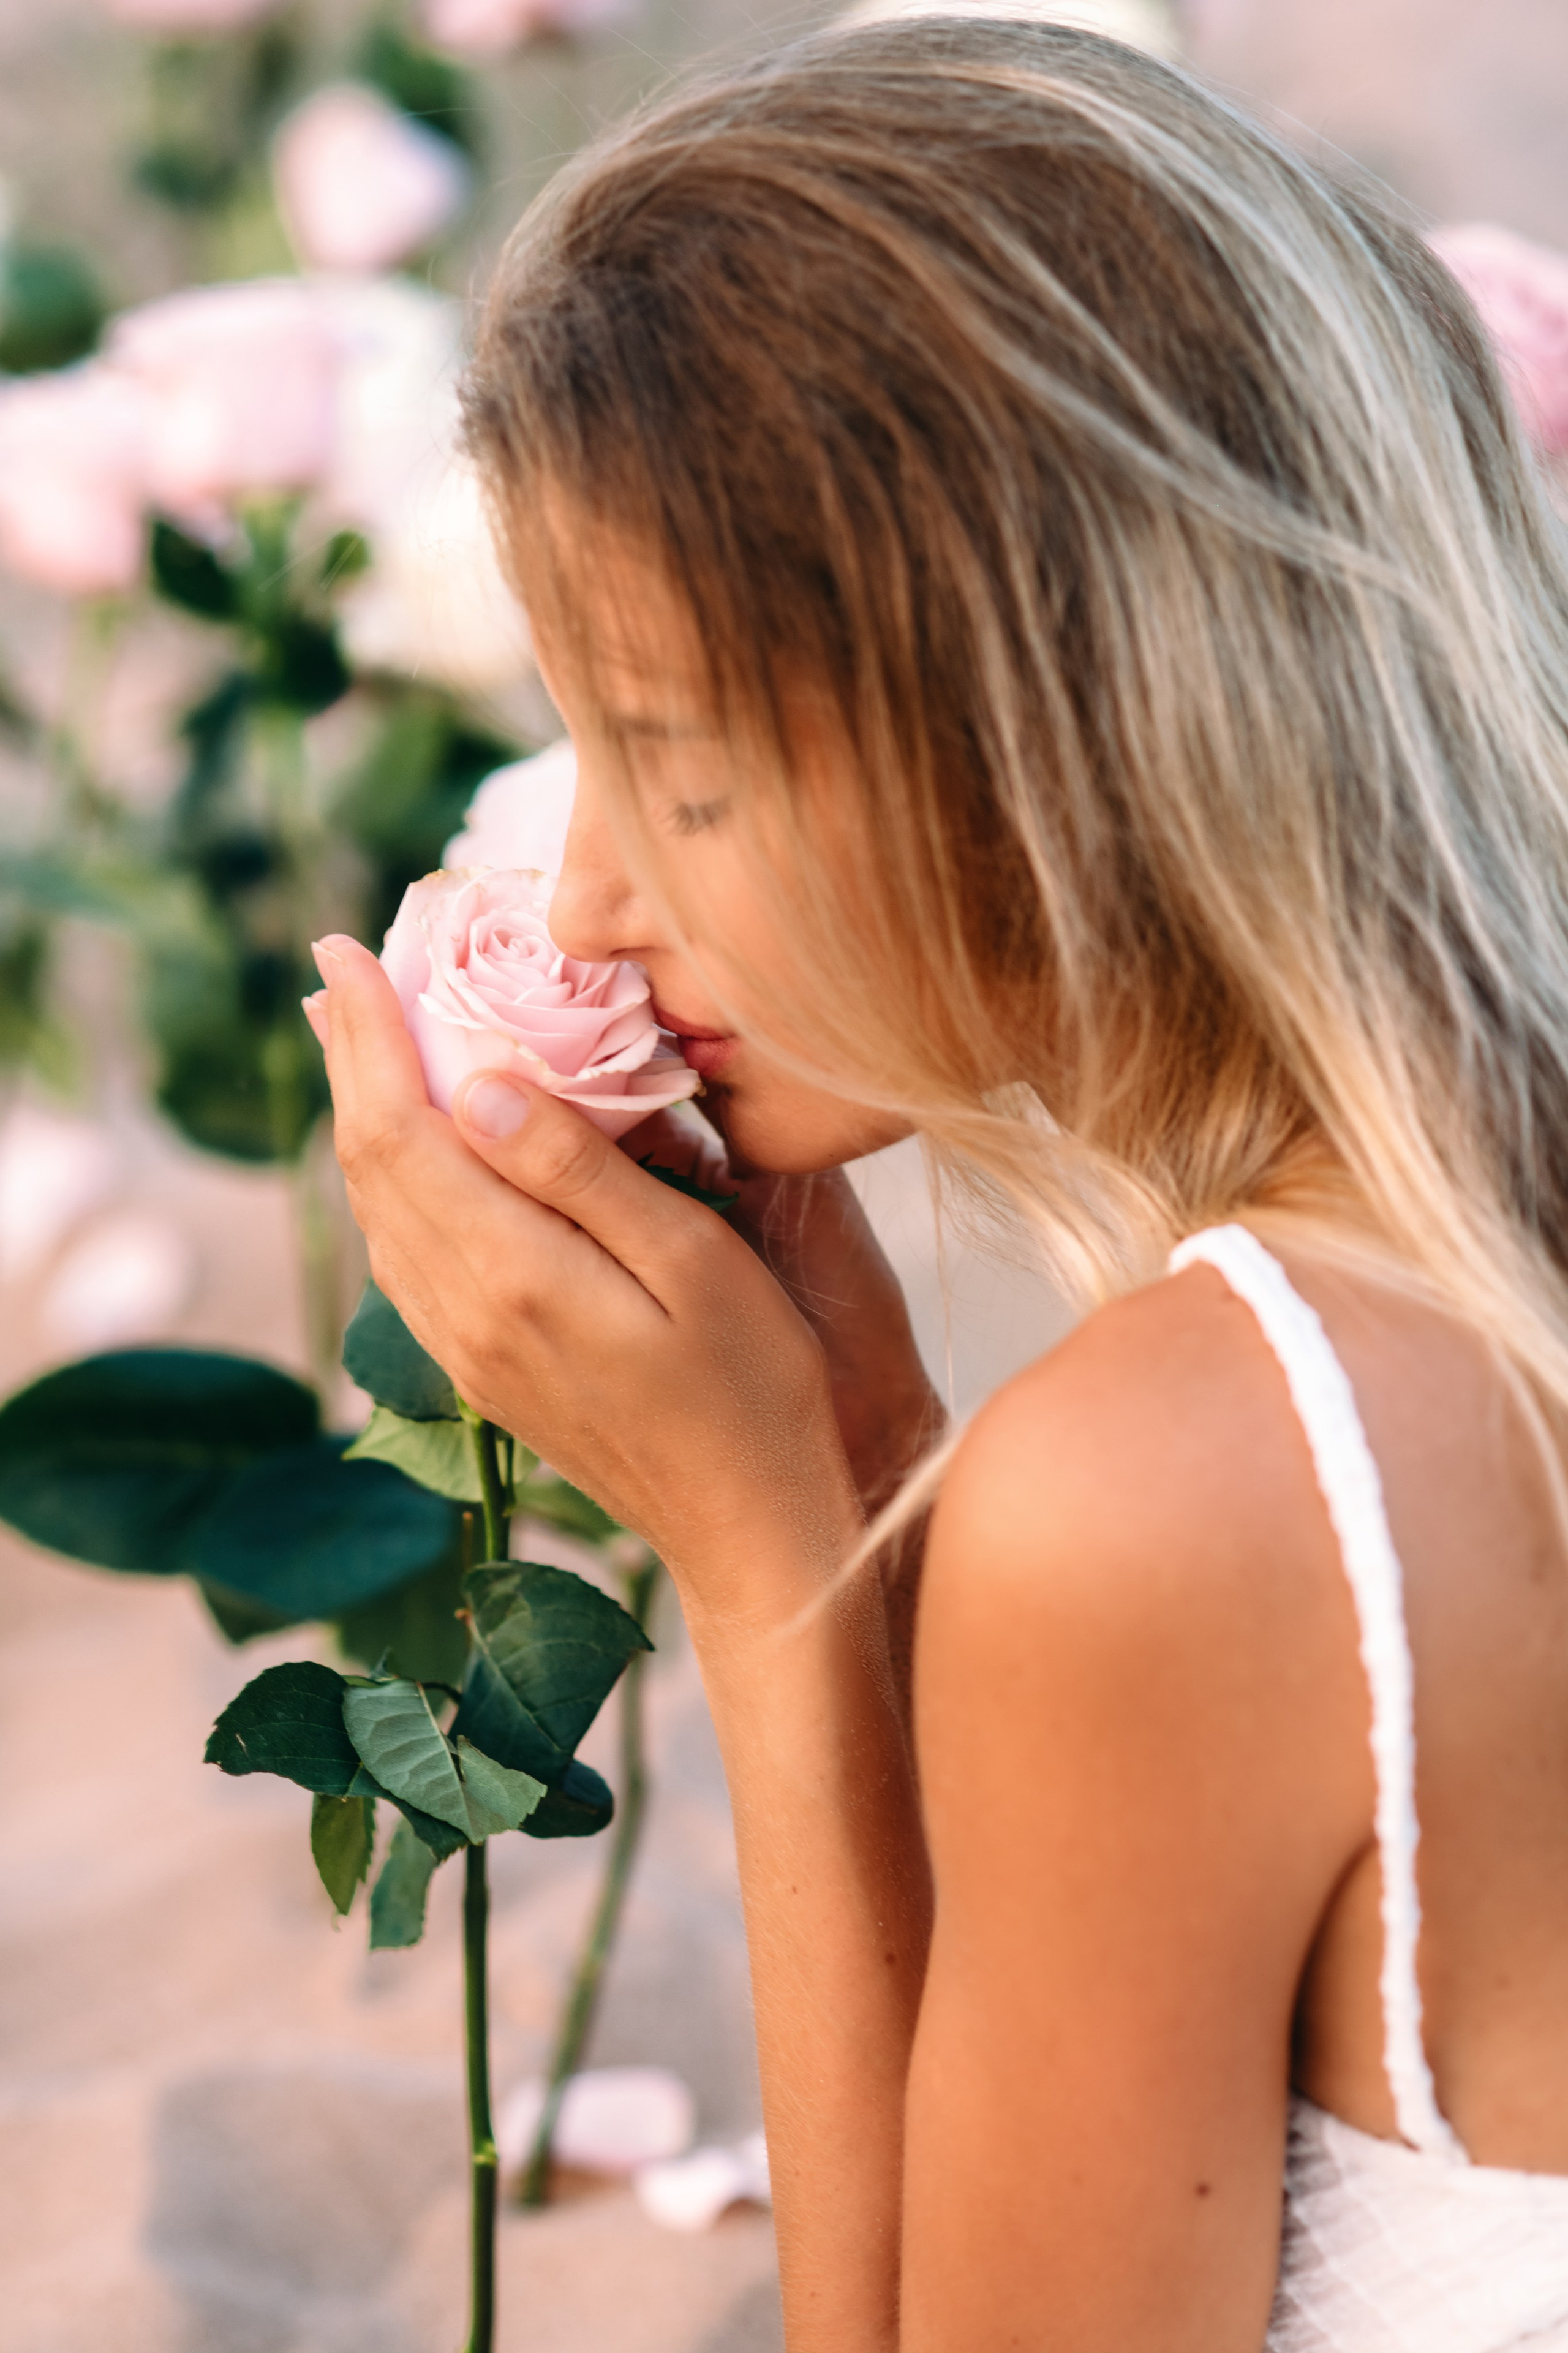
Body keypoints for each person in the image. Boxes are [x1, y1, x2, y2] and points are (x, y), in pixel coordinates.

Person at [307, 18, 1568, 2347]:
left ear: (1049, 727)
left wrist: (777, 1565)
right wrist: (876, 1454)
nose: (581, 904)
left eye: (668, 771)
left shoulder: (1198, 1487)